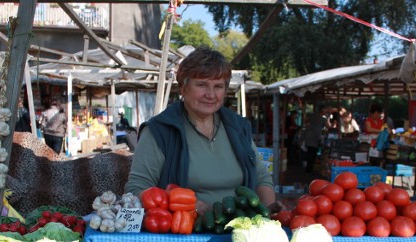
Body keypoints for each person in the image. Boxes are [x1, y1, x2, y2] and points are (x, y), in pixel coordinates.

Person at [125, 47, 278, 215]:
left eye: (218, 86)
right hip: (183, 231)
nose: (211, 94)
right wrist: (187, 204)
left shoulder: (238, 127)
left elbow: (262, 178)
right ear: (183, 88)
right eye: (202, 85)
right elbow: (136, 189)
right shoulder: (160, 131)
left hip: (240, 226)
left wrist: (269, 212)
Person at [302, 106, 329, 174]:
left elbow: (305, 121)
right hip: (315, 136)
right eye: (326, 110)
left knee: (309, 152)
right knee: (313, 153)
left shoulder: (312, 115)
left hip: (309, 135)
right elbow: (328, 126)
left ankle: (308, 168)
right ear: (322, 111)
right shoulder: (323, 118)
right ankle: (309, 169)